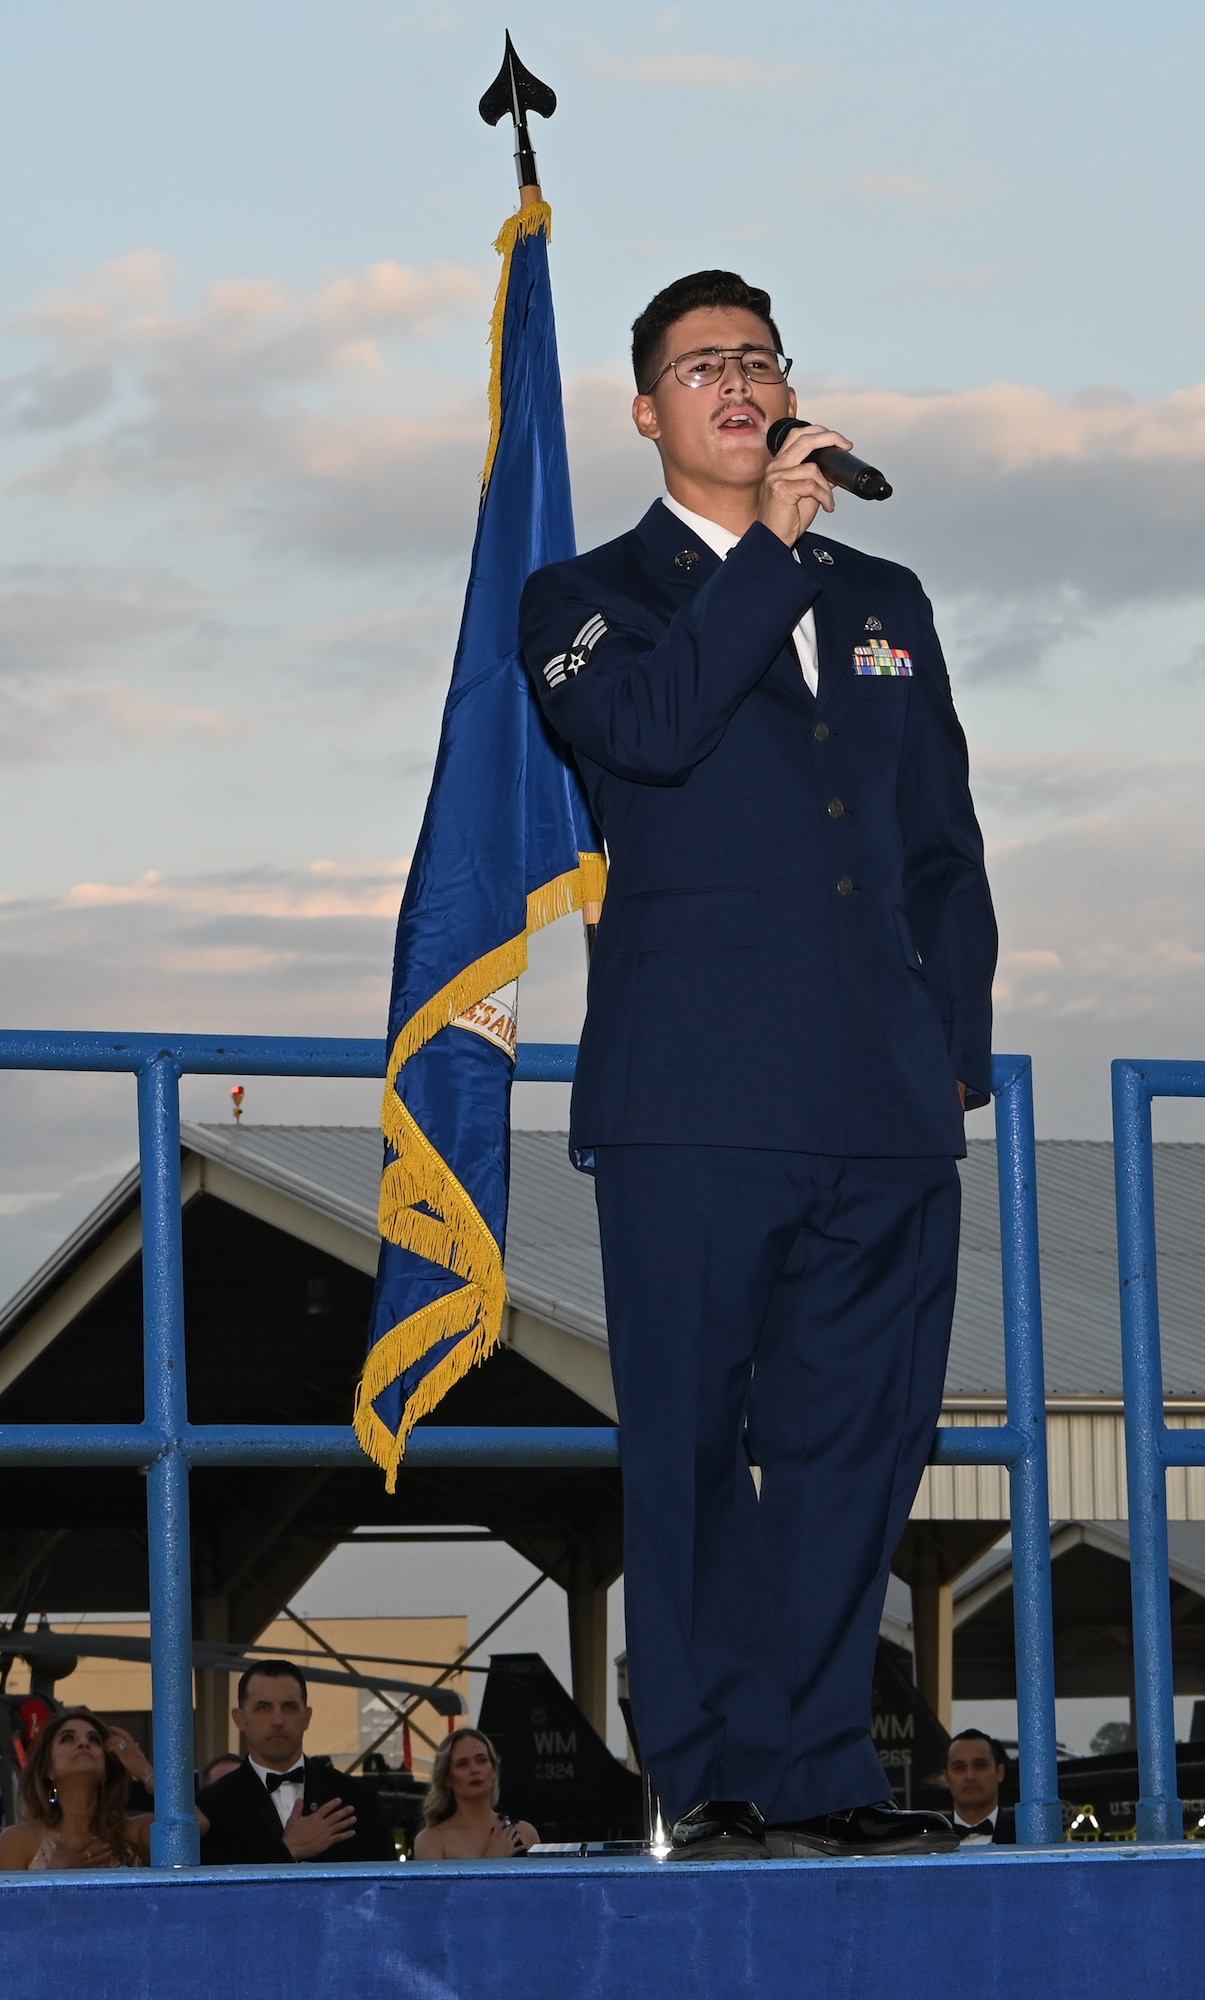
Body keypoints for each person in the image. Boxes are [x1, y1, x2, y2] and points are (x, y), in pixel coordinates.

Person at [521, 271, 996, 1860]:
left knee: (854, 1449)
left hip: (880, 1104)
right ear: (646, 411)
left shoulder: (886, 599)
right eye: (698, 364)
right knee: (691, 1441)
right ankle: (711, 1770)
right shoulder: (585, 600)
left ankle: (820, 1774)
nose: (735, 380)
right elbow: (647, 734)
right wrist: (770, 555)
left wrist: (953, 1050)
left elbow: (941, 844)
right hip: (692, 1103)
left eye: (757, 357)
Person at [196, 1661, 396, 1864]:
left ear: (307, 1717)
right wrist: (289, 1850)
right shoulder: (211, 1806)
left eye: (289, 1707)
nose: (278, 1720)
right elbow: (214, 1893)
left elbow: (391, 1888)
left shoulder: (357, 1799)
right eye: (263, 1708)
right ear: (240, 1718)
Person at [0, 1707, 165, 1869]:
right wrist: (53, 1877)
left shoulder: (137, 1833)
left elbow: (189, 1834)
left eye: (94, 1739)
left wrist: (145, 1770)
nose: (84, 1743)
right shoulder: (17, 1841)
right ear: (48, 1768)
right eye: (67, 1738)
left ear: (107, 1767)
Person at [412, 1728, 538, 1859]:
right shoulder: (431, 1840)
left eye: (481, 1760)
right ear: (447, 1779)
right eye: (462, 1764)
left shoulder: (525, 1832)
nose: (474, 1769)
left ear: (494, 1770)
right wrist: (491, 1859)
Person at [942, 1728, 1012, 1844]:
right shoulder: (929, 1840)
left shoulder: (1024, 1836)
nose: (970, 1776)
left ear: (999, 1772)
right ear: (946, 1778)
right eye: (959, 1767)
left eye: (980, 1766)